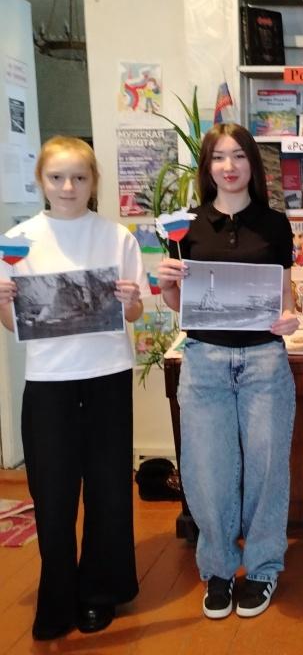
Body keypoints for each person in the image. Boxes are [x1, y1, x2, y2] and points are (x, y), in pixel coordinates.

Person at [0, 136, 148, 641]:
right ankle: (57, 596)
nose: (68, 187)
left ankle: (100, 593)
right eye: (57, 177)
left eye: (79, 178)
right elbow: (12, 324)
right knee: (53, 493)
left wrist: (130, 300)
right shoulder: (17, 242)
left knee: (109, 488)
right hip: (48, 381)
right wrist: (3, 302)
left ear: (93, 182)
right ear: (41, 181)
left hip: (108, 375)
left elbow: (135, 312)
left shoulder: (116, 237)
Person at [156, 122, 299, 620]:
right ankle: (217, 568)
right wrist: (166, 285)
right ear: (208, 166)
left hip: (264, 359)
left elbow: (286, 295)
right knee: (207, 470)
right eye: (219, 156)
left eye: (239, 155)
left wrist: (290, 317)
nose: (230, 166)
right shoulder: (185, 227)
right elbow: (180, 304)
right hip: (205, 360)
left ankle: (262, 567)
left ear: (252, 165)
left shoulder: (275, 224)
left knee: (267, 469)